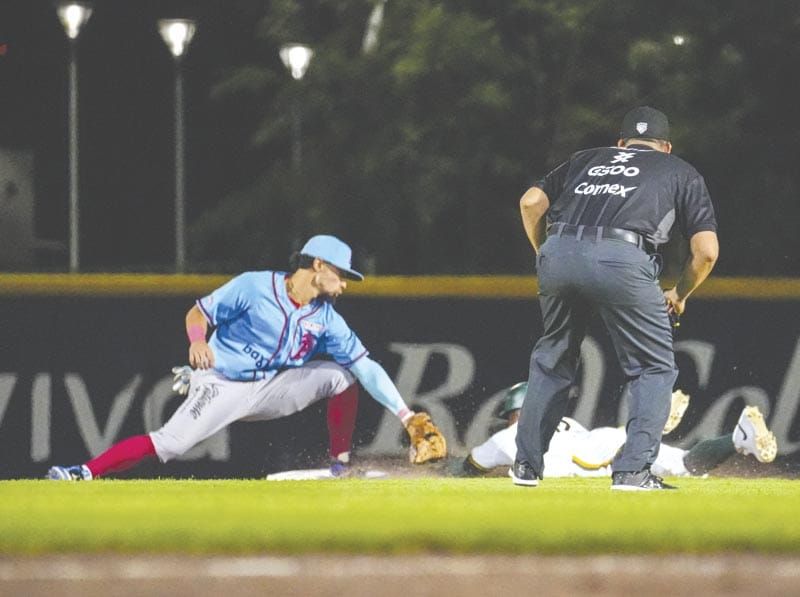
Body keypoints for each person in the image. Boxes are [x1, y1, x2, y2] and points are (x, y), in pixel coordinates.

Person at [47, 235, 445, 480]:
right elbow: (197, 312)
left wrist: (406, 416)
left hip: (271, 386)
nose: (344, 284)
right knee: (170, 443)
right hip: (221, 382)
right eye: (341, 274)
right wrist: (197, 340)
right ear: (318, 265)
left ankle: (339, 464)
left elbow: (366, 367)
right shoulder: (254, 287)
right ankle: (82, 472)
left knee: (342, 376)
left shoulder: (326, 318)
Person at [514, 106, 719, 490]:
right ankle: (632, 471)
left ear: (621, 143)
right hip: (624, 257)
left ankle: (525, 466)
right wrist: (679, 292)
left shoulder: (587, 159)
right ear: (666, 147)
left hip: (559, 251)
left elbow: (530, 202)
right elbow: (706, 252)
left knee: (552, 359)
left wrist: (544, 251)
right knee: (654, 368)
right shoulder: (679, 170)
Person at [457, 383, 778, 481]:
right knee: (686, 466)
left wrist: (441, 466)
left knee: (589, 460)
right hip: (606, 443)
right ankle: (738, 438)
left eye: (512, 414)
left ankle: (646, 422)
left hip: (592, 460)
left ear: (518, 413)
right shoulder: (567, 422)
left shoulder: (506, 437)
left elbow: (467, 469)